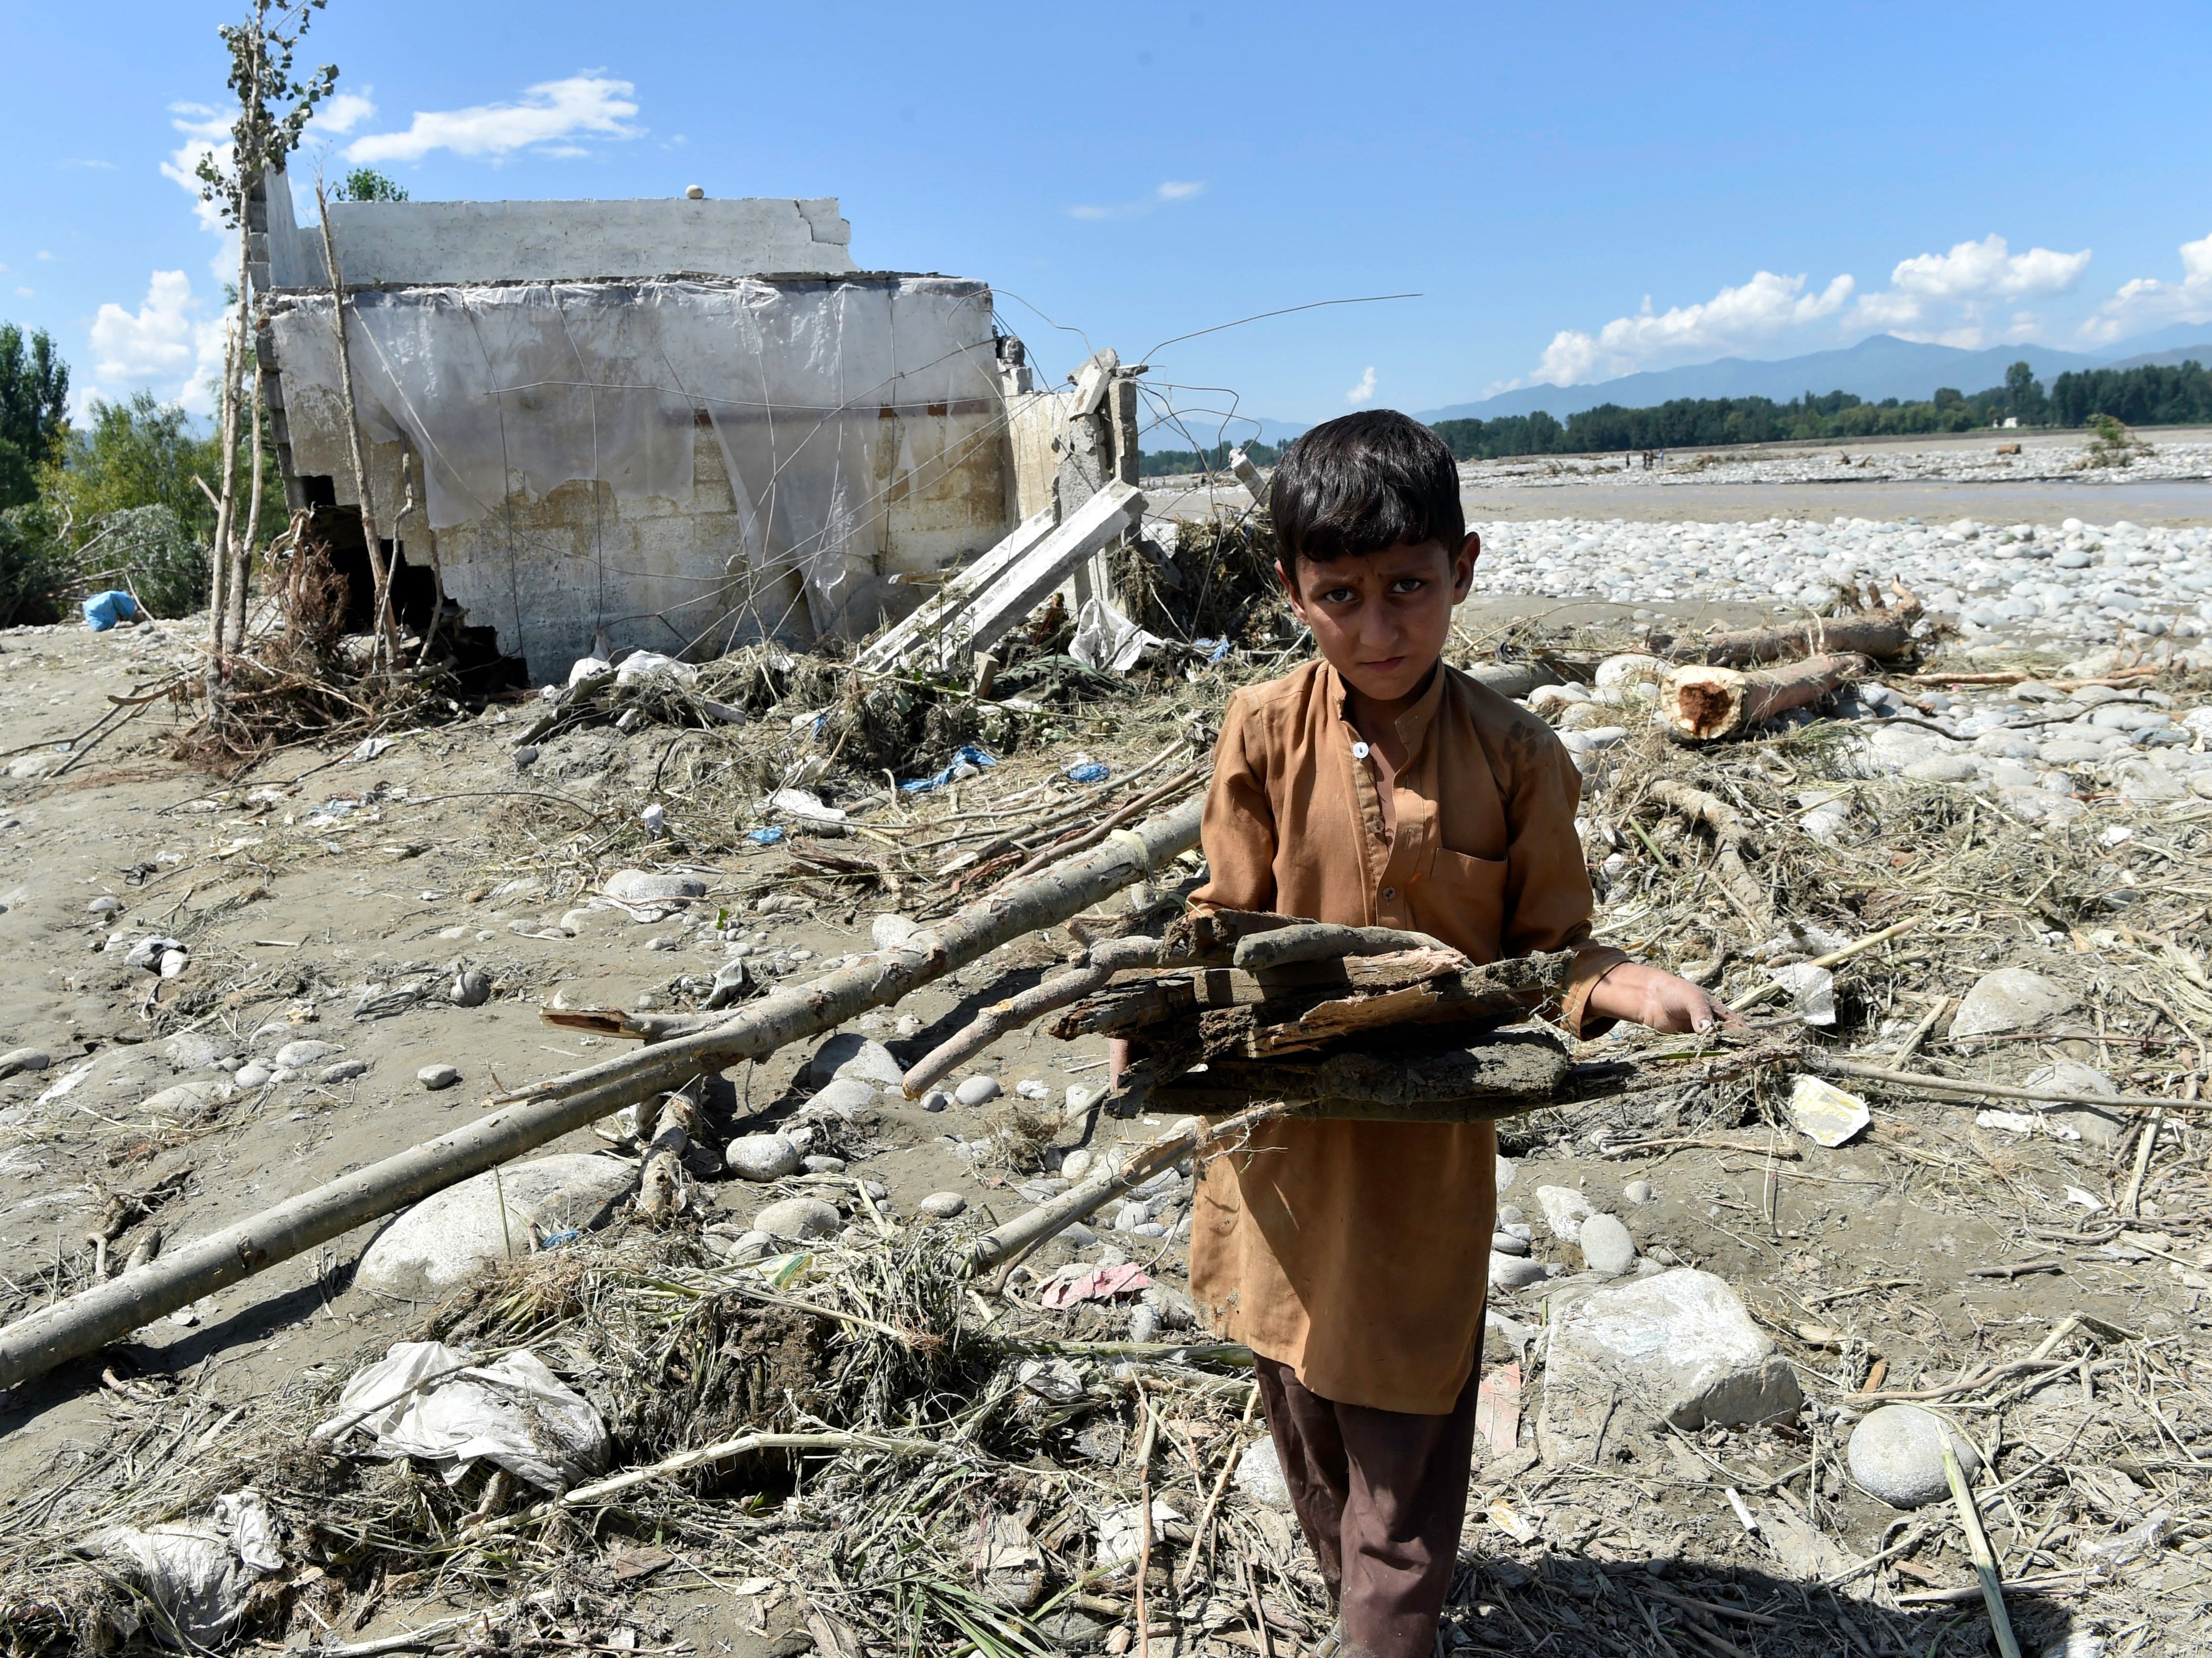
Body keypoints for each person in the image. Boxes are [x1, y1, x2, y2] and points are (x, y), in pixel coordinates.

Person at [1179, 409, 1729, 1658]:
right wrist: (1160, 1018)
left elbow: (1553, 953)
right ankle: (1359, 1598)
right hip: (1280, 1149)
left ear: (1463, 569)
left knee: (1405, 1449)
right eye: (1341, 597)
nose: (1378, 630)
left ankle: (1385, 1625)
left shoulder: (1515, 754)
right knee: (1302, 1400)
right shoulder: (1261, 731)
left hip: (1424, 1162)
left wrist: (1628, 983)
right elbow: (1220, 924)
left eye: (1408, 589)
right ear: (1292, 591)